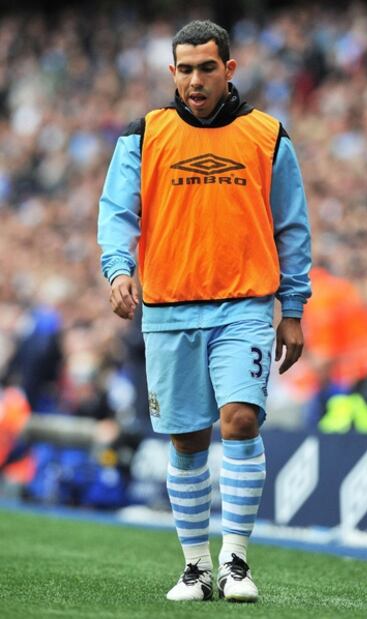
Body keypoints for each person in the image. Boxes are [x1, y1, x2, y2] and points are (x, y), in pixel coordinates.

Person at [98, 20, 311, 603]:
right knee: (187, 439)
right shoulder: (143, 135)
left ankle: (235, 561)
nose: (195, 80)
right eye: (185, 69)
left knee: (241, 419)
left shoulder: (268, 136)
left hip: (243, 305)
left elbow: (292, 227)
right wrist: (118, 269)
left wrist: (291, 307)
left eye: (207, 68)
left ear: (229, 70)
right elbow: (118, 212)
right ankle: (195, 567)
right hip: (168, 310)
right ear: (173, 73)